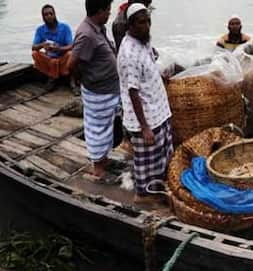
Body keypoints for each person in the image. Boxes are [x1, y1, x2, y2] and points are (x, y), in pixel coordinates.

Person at [118, 3, 173, 205]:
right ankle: (142, 195)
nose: (147, 26)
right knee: (146, 162)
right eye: (142, 22)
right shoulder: (128, 54)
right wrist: (145, 127)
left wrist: (160, 76)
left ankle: (157, 189)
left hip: (159, 110)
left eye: (148, 21)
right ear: (130, 25)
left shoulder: (143, 42)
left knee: (161, 156)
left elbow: (148, 67)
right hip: (146, 117)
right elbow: (133, 92)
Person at [67, 0, 121, 184]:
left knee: (107, 128)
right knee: (97, 129)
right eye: (107, 10)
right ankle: (98, 170)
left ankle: (104, 161)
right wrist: (82, 78)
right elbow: (71, 64)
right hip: (98, 91)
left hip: (108, 89)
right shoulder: (86, 34)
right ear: (98, 11)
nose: (109, 14)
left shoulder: (97, 28)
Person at [111, 0, 152, 160]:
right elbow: (128, 54)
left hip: (133, 68)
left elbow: (142, 43)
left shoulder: (138, 14)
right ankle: (128, 141)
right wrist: (144, 126)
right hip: (129, 71)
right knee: (128, 103)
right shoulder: (122, 23)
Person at [31, 4, 75, 87]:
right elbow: (33, 47)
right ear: (43, 17)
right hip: (49, 59)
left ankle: (56, 77)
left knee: (71, 54)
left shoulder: (65, 27)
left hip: (62, 58)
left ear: (55, 14)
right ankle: (53, 75)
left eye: (51, 14)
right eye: (46, 15)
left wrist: (59, 49)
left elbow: (71, 46)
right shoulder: (40, 30)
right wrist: (42, 45)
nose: (49, 16)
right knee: (35, 53)